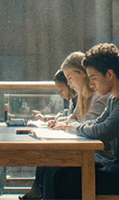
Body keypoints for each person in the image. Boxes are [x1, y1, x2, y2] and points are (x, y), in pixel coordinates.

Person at [48, 43, 119, 199]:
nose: (91, 84)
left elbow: (103, 131)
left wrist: (72, 128)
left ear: (109, 74)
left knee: (67, 179)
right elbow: (97, 123)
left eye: (93, 78)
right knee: (59, 171)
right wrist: (73, 126)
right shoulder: (115, 97)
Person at [23, 71, 78, 200]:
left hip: (89, 153)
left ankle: (36, 193)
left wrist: (64, 124)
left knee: (50, 163)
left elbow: (83, 121)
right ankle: (36, 192)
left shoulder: (85, 98)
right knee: (47, 159)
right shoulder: (74, 101)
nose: (60, 94)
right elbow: (70, 116)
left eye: (62, 89)